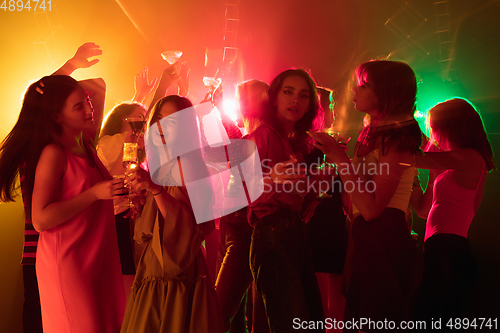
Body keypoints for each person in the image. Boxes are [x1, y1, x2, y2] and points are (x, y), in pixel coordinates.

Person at [0, 42, 126, 333]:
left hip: (93, 258)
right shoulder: (49, 151)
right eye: (79, 105)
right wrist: (69, 67)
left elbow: (56, 97)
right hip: (56, 258)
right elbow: (41, 218)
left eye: (87, 102)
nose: (89, 107)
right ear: (55, 115)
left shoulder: (87, 147)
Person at [309, 59, 423, 331]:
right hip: (365, 239)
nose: (354, 91)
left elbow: (373, 210)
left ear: (386, 91)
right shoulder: (370, 133)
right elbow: (357, 210)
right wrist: (350, 260)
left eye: (363, 85)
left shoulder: (397, 137)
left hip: (386, 238)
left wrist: (339, 159)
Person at [120, 95, 224, 333]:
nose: (162, 126)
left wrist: (155, 191)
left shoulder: (185, 163)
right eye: (158, 118)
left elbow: (191, 225)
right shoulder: (162, 165)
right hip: (155, 266)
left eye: (173, 120)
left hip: (176, 269)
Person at [247, 68, 326, 332]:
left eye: (303, 95)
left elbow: (299, 201)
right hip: (272, 232)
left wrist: (315, 186)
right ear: (273, 98)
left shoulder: (293, 142)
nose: (296, 100)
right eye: (288, 92)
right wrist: (271, 180)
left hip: (294, 232)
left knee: (312, 322)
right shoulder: (264, 134)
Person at [410, 98, 496, 328]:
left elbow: (414, 157)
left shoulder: (471, 157)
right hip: (439, 249)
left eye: (434, 130)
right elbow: (422, 210)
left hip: (448, 250)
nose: (433, 136)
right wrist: (416, 180)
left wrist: (402, 129)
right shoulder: (451, 165)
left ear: (451, 127)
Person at [215, 79, 270, 333]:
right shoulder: (249, 135)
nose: (242, 102)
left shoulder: (263, 137)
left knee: (219, 310)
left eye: (251, 96)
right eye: (241, 97)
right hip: (233, 229)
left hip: (245, 231)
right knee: (236, 316)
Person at [304, 87, 347, 333]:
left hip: (332, 221)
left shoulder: (328, 144)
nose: (332, 110)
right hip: (318, 222)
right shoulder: (311, 146)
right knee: (321, 300)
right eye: (329, 104)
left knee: (335, 301)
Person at [97, 102, 147, 293]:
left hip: (135, 215)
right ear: (121, 120)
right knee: (126, 272)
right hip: (117, 215)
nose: (142, 123)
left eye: (144, 119)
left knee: (136, 269)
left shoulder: (142, 146)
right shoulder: (109, 142)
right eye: (137, 118)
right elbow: (115, 177)